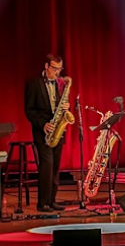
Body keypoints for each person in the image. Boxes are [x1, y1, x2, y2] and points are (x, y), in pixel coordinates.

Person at [24, 54, 71, 212]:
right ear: (46, 66)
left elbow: (61, 106)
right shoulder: (33, 83)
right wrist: (43, 124)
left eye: (60, 69)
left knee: (56, 167)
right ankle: (42, 203)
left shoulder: (60, 84)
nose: (57, 72)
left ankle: (52, 201)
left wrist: (66, 108)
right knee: (47, 166)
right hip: (42, 131)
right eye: (54, 68)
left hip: (58, 130)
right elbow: (29, 110)